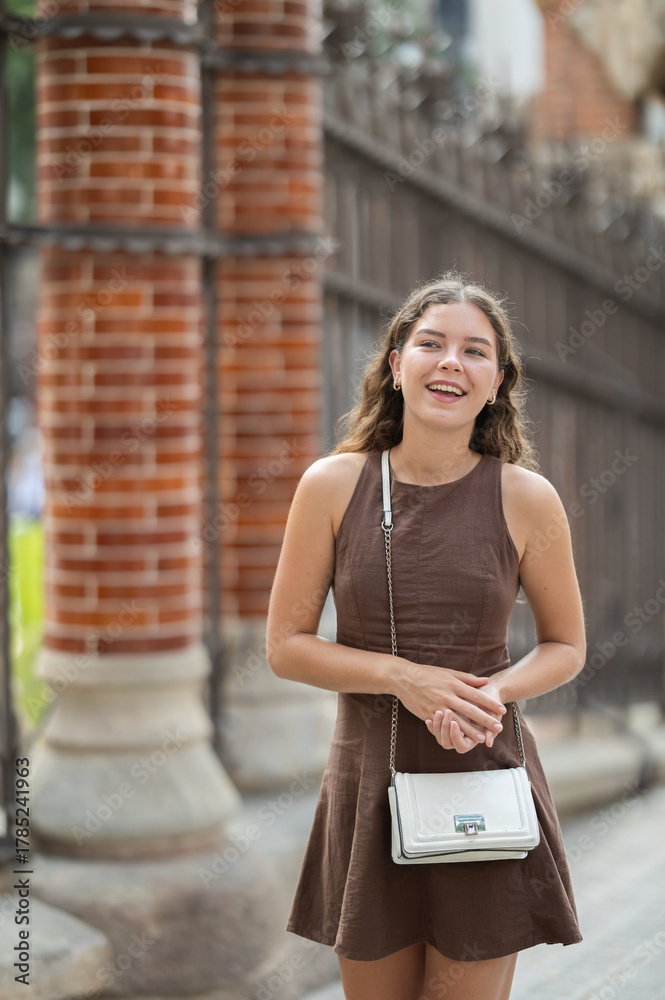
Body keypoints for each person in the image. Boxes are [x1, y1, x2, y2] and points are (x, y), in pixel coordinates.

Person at [266, 272, 587, 1000]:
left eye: (475, 352)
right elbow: (285, 646)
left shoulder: (526, 498)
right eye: (430, 344)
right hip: (366, 781)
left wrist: (488, 693)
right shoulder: (331, 484)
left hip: (482, 777)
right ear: (394, 363)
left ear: (498, 382)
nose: (450, 362)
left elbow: (567, 645)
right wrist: (403, 678)